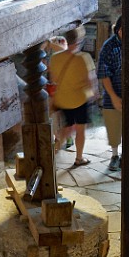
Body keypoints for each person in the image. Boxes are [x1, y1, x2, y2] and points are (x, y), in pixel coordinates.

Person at [49, 26, 97, 168]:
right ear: (79, 40)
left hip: (63, 99)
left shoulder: (55, 58)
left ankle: (54, 153)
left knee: (66, 127)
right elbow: (90, 82)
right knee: (80, 130)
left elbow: (54, 78)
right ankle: (79, 158)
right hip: (80, 100)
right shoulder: (84, 58)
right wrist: (93, 94)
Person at [97, 15, 123, 171]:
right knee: (113, 126)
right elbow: (104, 73)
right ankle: (114, 155)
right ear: (118, 30)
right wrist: (114, 97)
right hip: (113, 94)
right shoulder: (109, 47)